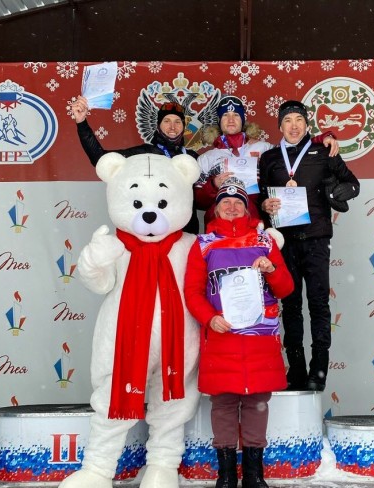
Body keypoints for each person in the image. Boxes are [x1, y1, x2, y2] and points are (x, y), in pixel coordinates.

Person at [184, 178, 294, 488]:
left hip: (260, 337)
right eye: (225, 202)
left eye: (238, 203)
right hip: (223, 334)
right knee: (223, 404)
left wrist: (272, 269)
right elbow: (192, 292)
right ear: (215, 208)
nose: (232, 207)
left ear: (248, 209)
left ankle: (255, 474)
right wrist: (209, 318)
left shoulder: (265, 242)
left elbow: (285, 289)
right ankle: (227, 474)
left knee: (258, 402)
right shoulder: (203, 244)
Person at [258, 100, 360, 392]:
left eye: (298, 120)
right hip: (283, 241)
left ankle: (319, 367)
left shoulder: (323, 150)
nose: (293, 126)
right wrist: (265, 204)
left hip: (316, 239)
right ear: (280, 126)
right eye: (287, 120)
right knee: (290, 305)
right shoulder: (269, 158)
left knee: (318, 304)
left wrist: (332, 194)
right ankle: (297, 370)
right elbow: (260, 200)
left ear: (306, 124)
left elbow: (353, 184)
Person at [195, 95, 340, 229]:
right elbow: (197, 202)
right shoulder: (207, 158)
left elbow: (293, 148)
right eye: (225, 115)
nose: (231, 120)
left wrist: (320, 140)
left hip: (256, 225)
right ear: (219, 121)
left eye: (236, 115)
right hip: (219, 229)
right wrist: (213, 185)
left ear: (244, 120)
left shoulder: (264, 148)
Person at [70, 95, 200, 233]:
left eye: (178, 122)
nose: (172, 126)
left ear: (184, 126)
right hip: (152, 231)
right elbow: (100, 158)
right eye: (167, 121)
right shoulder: (144, 153)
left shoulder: (191, 157)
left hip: (186, 233)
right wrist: (82, 122)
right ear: (158, 126)